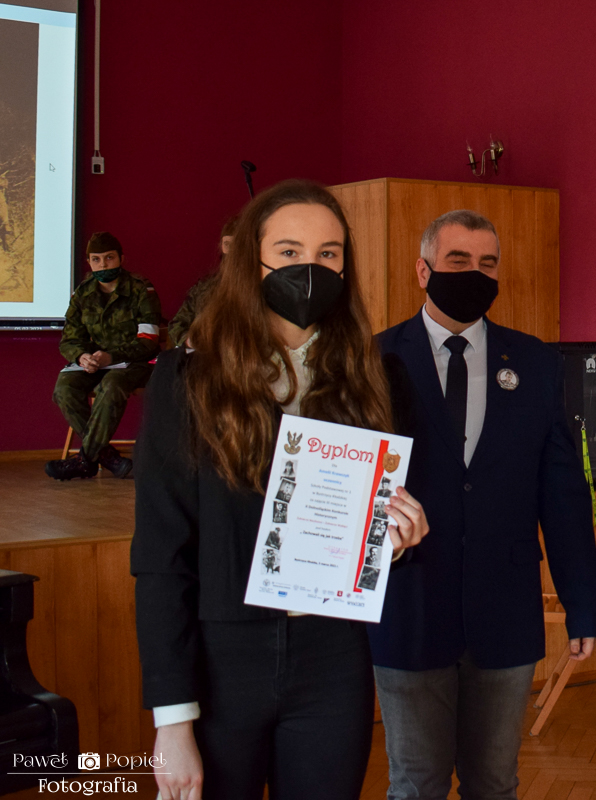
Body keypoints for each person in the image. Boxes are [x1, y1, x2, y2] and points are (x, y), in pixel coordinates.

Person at [131, 179, 430, 800]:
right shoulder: (189, 379)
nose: (309, 268)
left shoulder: (380, 377)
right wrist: (172, 720)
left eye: (328, 254)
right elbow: (161, 555)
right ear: (251, 261)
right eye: (289, 252)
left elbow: (383, 522)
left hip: (333, 656)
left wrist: (398, 539)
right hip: (220, 660)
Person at [371, 209, 596, 800]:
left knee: (495, 784)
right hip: (408, 609)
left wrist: (583, 605)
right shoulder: (372, 360)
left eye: (488, 263)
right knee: (416, 785)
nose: (475, 273)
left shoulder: (535, 363)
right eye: (458, 261)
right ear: (423, 270)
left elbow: (563, 494)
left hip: (505, 614)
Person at [45, 232, 161, 481]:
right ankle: (107, 457)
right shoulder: (82, 293)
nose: (103, 264)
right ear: (89, 262)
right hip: (95, 363)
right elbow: (69, 339)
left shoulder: (141, 289)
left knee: (112, 384)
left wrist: (112, 356)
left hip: (136, 363)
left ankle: (85, 460)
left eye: (109, 258)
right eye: (96, 259)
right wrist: (82, 357)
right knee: (64, 388)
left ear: (121, 259)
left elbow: (148, 339)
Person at [168, 216, 238, 347]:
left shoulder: (263, 288)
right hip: (202, 354)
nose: (233, 252)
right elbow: (177, 324)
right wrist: (190, 341)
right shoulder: (204, 287)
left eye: (239, 245)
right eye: (228, 245)